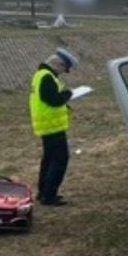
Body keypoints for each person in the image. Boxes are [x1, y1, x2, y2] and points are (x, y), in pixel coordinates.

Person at [29, 47, 79, 205]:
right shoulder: (47, 77)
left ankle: (43, 192)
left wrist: (64, 104)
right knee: (59, 160)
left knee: (49, 159)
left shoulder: (41, 75)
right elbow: (53, 99)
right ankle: (49, 195)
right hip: (52, 126)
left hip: (47, 125)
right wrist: (68, 94)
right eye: (65, 69)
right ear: (59, 64)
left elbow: (47, 100)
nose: (65, 72)